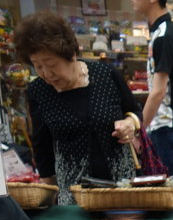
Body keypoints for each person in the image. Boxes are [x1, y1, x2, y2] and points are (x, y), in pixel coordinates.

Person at [13, 12, 141, 205]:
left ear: (71, 54)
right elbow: (42, 145)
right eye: (37, 66)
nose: (46, 73)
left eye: (51, 64)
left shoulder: (106, 74)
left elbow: (134, 111)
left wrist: (130, 124)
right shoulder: (38, 90)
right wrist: (47, 195)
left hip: (122, 185)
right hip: (73, 195)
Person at [133, 0, 173, 200]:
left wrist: (139, 131)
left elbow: (158, 92)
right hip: (168, 126)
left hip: (169, 127)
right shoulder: (163, 32)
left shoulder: (164, 35)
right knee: (170, 194)